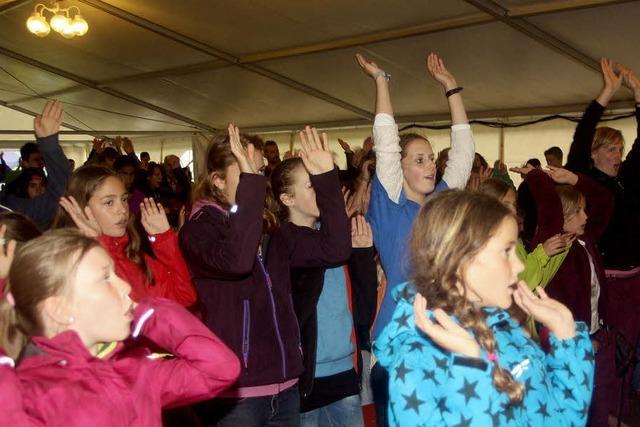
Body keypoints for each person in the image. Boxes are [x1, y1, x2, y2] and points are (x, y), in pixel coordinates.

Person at [375, 190, 594, 426]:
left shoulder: (505, 327)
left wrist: (567, 337)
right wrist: (470, 369)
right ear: (459, 261)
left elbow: (560, 419)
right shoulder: (418, 358)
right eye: (506, 251)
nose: (519, 266)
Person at [180, 125, 351, 426]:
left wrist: (326, 180)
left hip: (285, 386)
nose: (257, 179)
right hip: (236, 395)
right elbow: (237, 261)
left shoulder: (273, 230)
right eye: (245, 172)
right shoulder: (200, 229)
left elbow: (335, 249)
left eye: (258, 170)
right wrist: (251, 192)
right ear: (217, 180)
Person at [0, 228, 240, 426]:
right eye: (105, 278)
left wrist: (151, 316)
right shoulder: (32, 392)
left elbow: (219, 369)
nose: (125, 286)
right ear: (58, 309)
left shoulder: (134, 369)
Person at [356, 52, 474, 425]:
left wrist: (451, 88)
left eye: (431, 159)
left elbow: (464, 155)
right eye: (419, 159)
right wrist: (381, 82)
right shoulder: (389, 207)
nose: (430, 166)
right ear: (401, 168)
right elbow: (387, 144)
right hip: (398, 348)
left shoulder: (440, 203)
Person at [272, 156, 375, 426]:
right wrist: (336, 214)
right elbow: (329, 250)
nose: (320, 191)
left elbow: (362, 309)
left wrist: (362, 254)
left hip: (344, 372)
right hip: (306, 378)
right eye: (311, 185)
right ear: (287, 199)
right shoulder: (285, 240)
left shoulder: (331, 240)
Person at [54, 166, 197, 308]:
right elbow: (117, 308)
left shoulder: (129, 252)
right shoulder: (68, 262)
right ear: (80, 208)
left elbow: (184, 297)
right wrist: (98, 244)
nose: (123, 210)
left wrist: (164, 240)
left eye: (124, 199)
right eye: (109, 202)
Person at [1, 101, 71, 230]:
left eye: (43, 186)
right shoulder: (13, 204)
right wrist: (49, 143)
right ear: (24, 162)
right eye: (33, 186)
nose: (40, 163)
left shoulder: (17, 209)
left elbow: (60, 192)